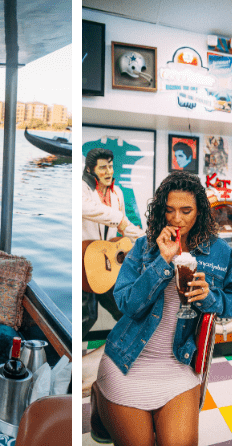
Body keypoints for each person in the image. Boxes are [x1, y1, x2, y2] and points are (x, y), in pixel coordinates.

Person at [90, 171, 232, 446]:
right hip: (126, 358)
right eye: (170, 210)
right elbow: (126, 304)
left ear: (200, 210)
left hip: (178, 363)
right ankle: (100, 392)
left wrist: (210, 298)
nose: (177, 219)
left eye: (186, 210)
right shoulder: (144, 246)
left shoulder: (219, 252)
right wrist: (162, 262)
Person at [82, 148, 145, 395]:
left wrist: (145, 238)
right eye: (102, 167)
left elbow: (124, 225)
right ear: (90, 170)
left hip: (108, 265)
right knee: (87, 317)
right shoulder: (81, 189)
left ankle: (120, 364)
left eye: (110, 166)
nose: (108, 172)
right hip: (85, 261)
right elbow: (88, 209)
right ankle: (70, 367)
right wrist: (120, 220)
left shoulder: (117, 192)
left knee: (126, 311)